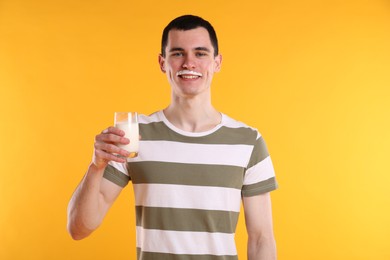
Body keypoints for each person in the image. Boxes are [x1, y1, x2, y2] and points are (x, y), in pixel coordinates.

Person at [67, 14, 278, 260]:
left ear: (217, 62)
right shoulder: (133, 136)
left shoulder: (248, 142)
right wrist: (96, 166)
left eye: (200, 53)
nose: (189, 63)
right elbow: (79, 228)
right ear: (162, 62)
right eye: (178, 53)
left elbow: (262, 239)